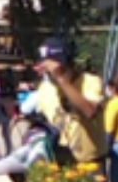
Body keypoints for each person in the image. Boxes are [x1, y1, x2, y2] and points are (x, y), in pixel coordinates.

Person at [33, 37, 108, 172]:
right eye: (46, 68)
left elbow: (89, 111)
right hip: (59, 158)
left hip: (89, 161)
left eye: (56, 68)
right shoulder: (45, 87)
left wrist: (62, 80)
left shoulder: (90, 81)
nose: (51, 73)